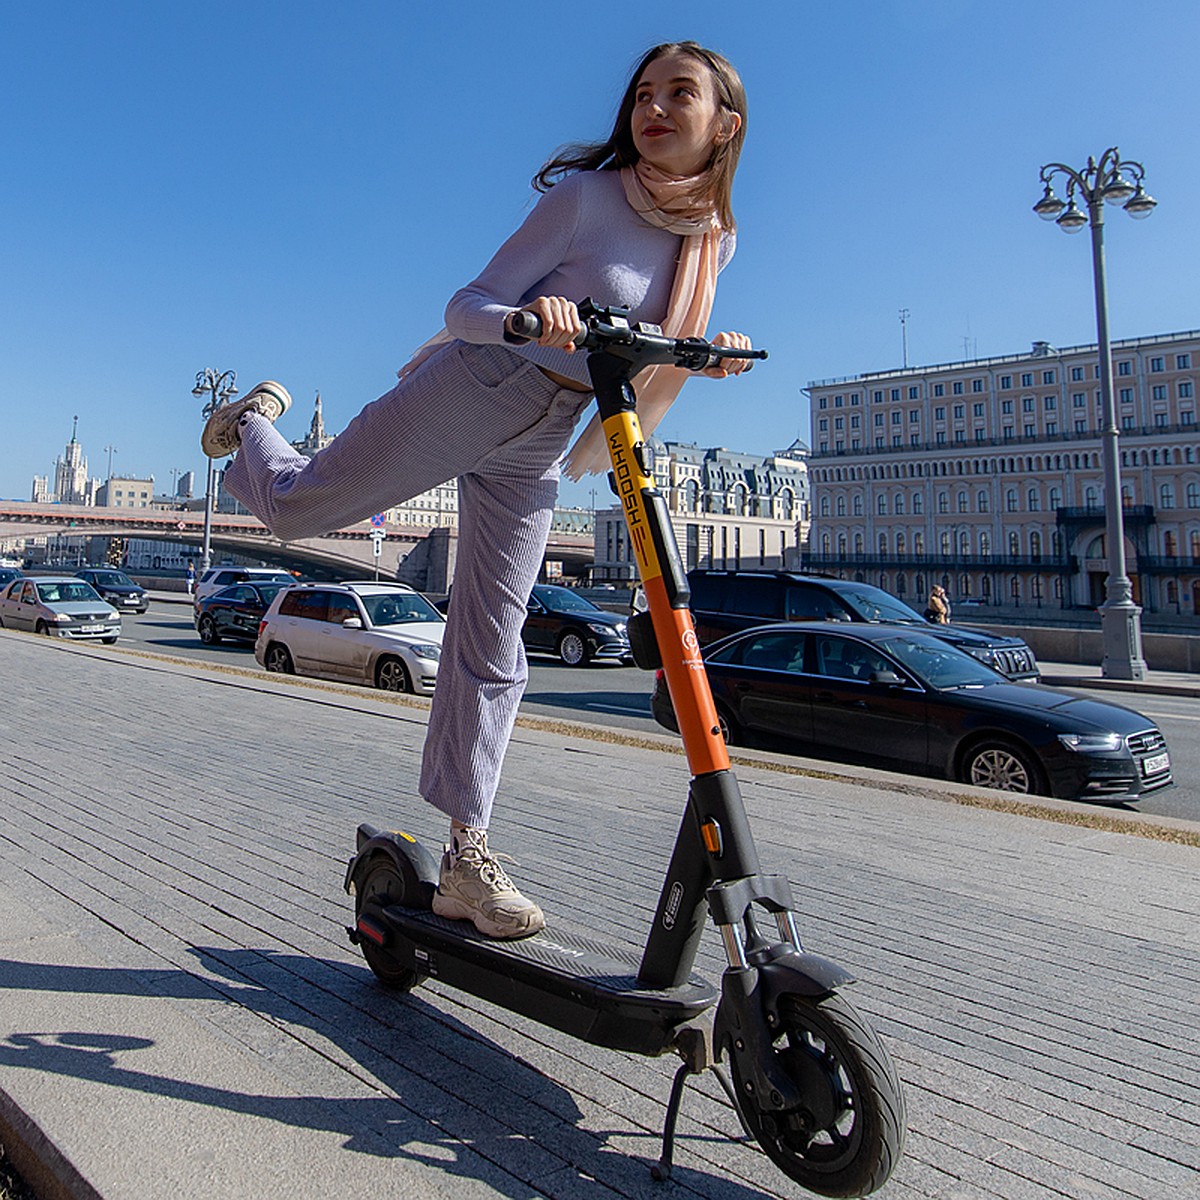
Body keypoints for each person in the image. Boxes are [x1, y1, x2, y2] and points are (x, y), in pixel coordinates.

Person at [200, 42, 751, 940]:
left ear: (723, 123)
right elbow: (468, 302)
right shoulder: (583, 200)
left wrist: (704, 352)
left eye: (678, 94)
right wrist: (530, 318)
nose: (653, 108)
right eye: (643, 93)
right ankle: (251, 421)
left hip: (550, 431)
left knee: (494, 641)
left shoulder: (711, 241)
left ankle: (467, 857)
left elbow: (655, 336)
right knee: (299, 506)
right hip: (482, 383)